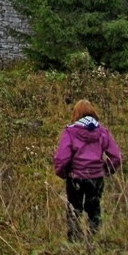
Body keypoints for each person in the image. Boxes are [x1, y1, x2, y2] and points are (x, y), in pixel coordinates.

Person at [53, 99, 122, 241]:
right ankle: (93, 240)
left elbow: (62, 158)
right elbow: (116, 157)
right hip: (97, 177)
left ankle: (74, 241)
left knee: (74, 210)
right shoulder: (103, 132)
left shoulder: (70, 132)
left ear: (76, 114)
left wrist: (62, 173)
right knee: (94, 209)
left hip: (75, 177)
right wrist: (106, 170)